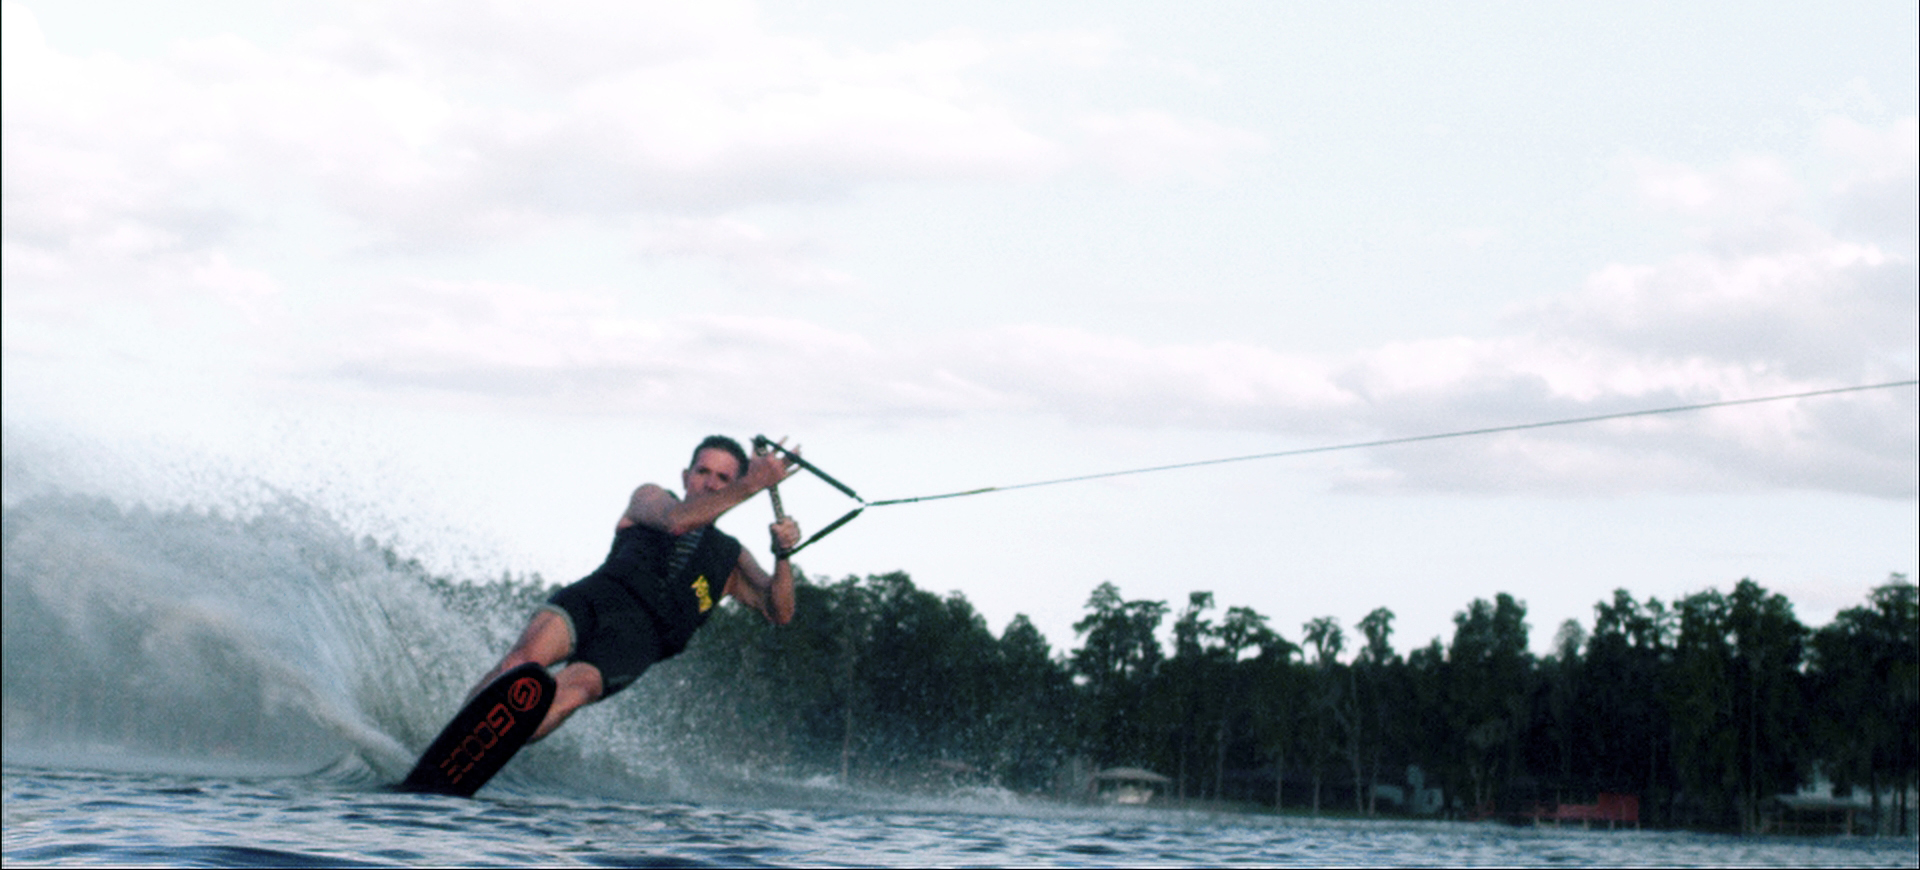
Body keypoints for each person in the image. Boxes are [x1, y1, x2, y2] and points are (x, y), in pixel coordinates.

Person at [467, 435, 801, 740]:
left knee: (574, 691)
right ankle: (459, 730)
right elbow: (677, 523)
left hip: (637, 641)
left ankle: (492, 747)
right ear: (686, 477)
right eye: (703, 472)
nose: (711, 484)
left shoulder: (731, 557)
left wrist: (783, 553)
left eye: (723, 478)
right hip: (596, 600)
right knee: (522, 663)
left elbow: (779, 611)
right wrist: (750, 485)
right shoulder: (651, 499)